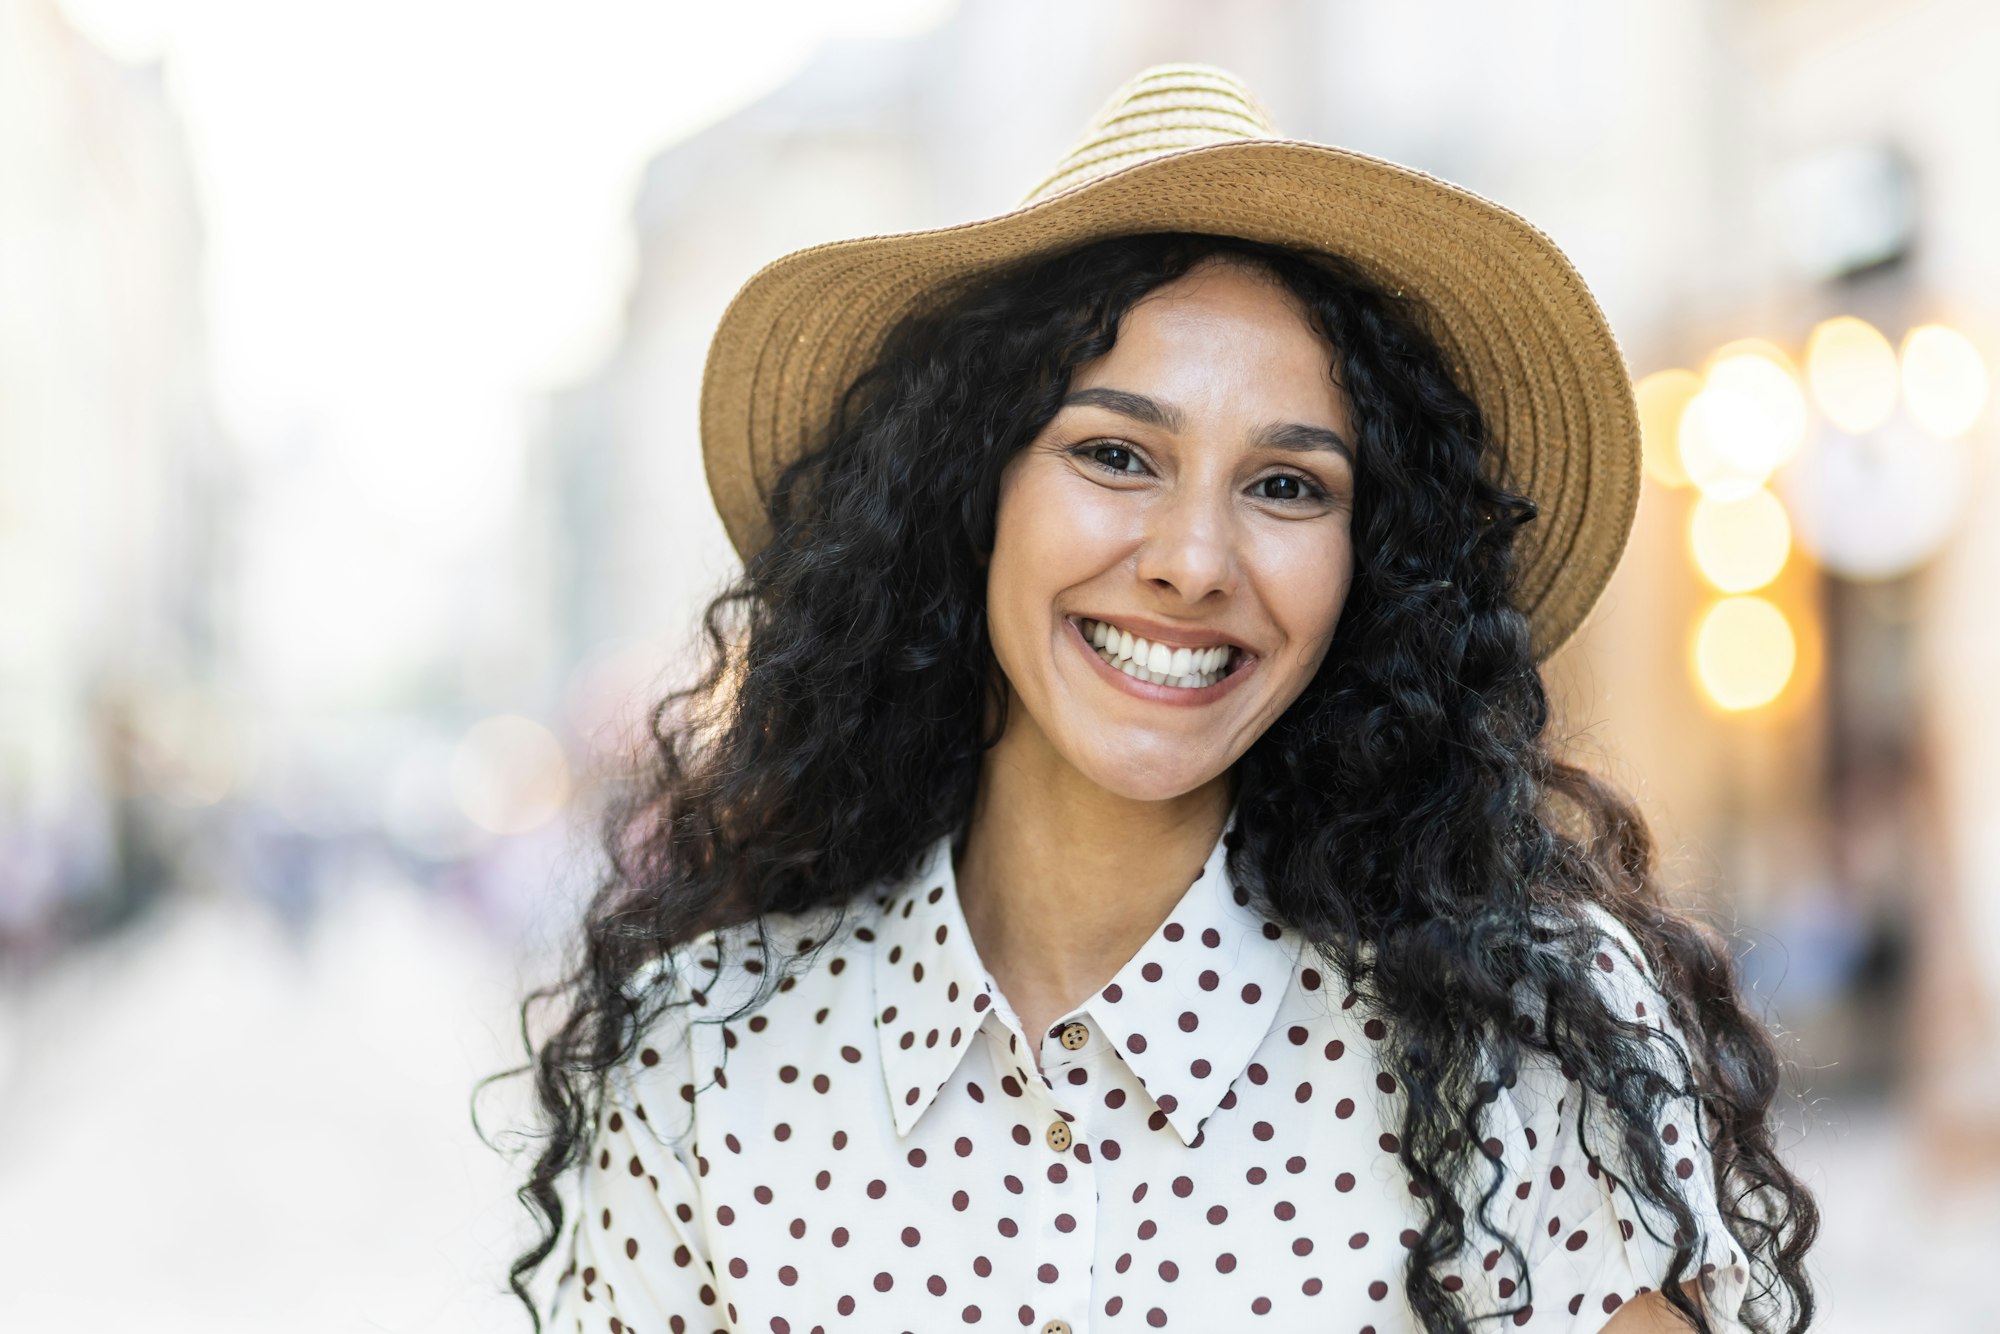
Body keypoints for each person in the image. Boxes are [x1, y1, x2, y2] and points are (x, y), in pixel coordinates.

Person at [497, 64, 1817, 1333]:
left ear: (1372, 565)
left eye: (1288, 483)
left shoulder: (1523, 1048)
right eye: (1117, 453)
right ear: (970, 498)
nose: (1194, 560)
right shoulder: (706, 1061)